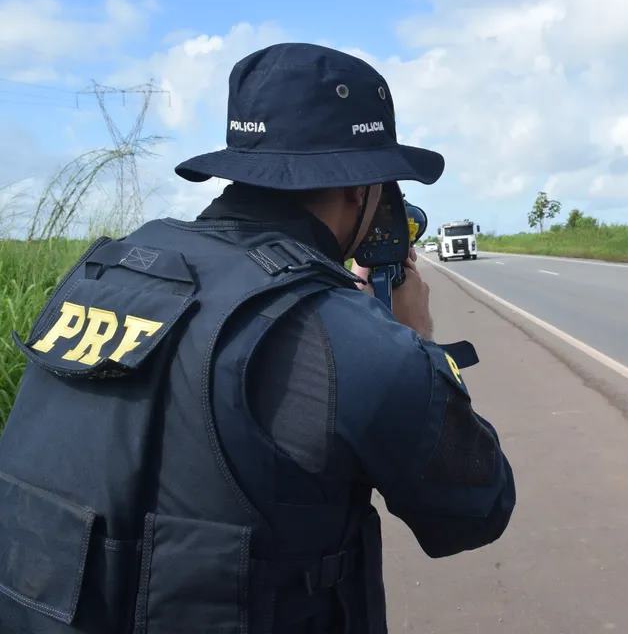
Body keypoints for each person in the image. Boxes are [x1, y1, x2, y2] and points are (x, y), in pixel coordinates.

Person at [0, 43, 515, 634]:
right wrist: (415, 338)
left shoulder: (102, 276)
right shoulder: (357, 342)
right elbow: (476, 511)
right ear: (361, 188)